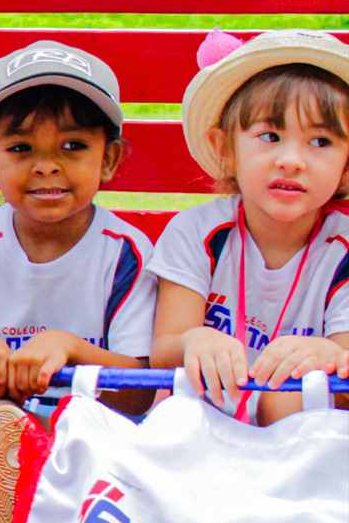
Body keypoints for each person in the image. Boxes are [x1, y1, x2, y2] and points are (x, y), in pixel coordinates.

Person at [0, 41, 157, 523]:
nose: (46, 165)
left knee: (18, 431)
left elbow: (138, 395)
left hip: (77, 432)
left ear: (110, 159)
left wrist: (71, 349)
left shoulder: (125, 252)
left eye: (73, 146)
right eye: (21, 148)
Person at [149, 29, 349, 423]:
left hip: (301, 434)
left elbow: (344, 357)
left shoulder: (342, 249)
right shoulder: (196, 232)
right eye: (269, 136)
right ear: (224, 148)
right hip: (200, 425)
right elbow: (164, 349)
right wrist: (194, 339)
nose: (291, 160)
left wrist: (330, 354)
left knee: (287, 399)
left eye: (320, 142)